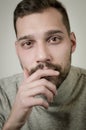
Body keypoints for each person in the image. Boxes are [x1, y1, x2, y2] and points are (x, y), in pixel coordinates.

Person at [0, 0, 86, 129]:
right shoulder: (3, 94)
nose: (42, 56)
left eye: (54, 39)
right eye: (28, 43)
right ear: (17, 50)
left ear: (72, 43)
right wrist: (13, 123)